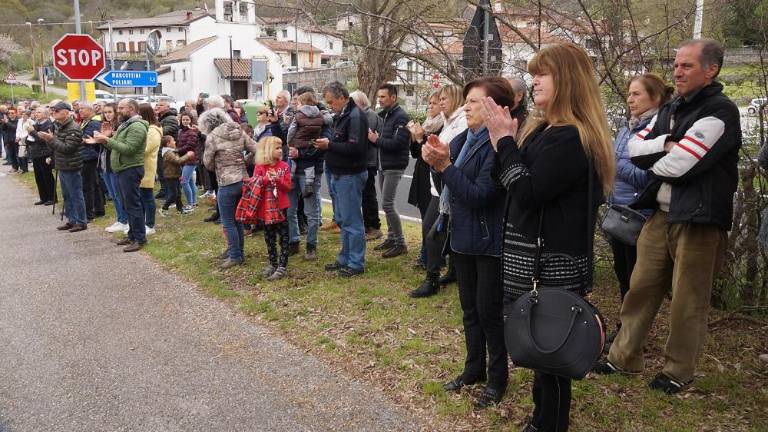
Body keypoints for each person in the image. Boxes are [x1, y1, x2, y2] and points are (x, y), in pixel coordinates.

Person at [596, 39, 741, 395]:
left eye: (687, 66)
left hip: (698, 220)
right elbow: (634, 146)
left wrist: (661, 153)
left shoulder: (721, 111)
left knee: (687, 301)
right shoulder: (673, 106)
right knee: (640, 288)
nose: (677, 71)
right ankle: (622, 357)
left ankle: (677, 371)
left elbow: (683, 164)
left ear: (712, 70)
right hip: (660, 215)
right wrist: (665, 145)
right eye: (676, 65)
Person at [486, 43, 614, 431]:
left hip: (551, 267)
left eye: (544, 73)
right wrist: (504, 141)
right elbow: (505, 180)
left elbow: (527, 192)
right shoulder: (544, 129)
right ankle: (541, 420)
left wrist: (505, 142)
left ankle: (548, 425)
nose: (534, 80)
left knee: (551, 355)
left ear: (569, 81)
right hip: (531, 264)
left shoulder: (572, 138)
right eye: (534, 72)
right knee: (541, 356)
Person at [421, 78, 511, 409]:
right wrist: (436, 161)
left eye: (474, 102)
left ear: (494, 108)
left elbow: (479, 196)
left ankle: (498, 378)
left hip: (488, 242)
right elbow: (446, 184)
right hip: (461, 237)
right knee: (469, 310)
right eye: (468, 101)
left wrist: (444, 166)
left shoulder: (498, 146)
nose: (466, 107)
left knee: (489, 313)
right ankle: (473, 369)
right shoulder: (463, 140)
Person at [604, 73, 673, 344]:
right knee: (623, 274)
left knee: (637, 280)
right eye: (629, 94)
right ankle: (624, 328)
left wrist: (615, 165)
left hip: (640, 215)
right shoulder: (626, 128)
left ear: (654, 97)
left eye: (637, 94)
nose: (630, 99)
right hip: (618, 212)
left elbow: (650, 175)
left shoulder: (660, 129)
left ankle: (631, 335)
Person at [315, 81, 369, 277]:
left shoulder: (355, 116)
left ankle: (356, 262)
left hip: (350, 174)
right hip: (340, 172)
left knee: (352, 221)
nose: (330, 106)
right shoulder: (344, 114)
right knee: (343, 219)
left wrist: (329, 145)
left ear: (342, 98)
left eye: (331, 102)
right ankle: (345, 257)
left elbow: (355, 147)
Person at [86, 98, 149, 252]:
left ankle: (140, 239)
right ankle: (132, 234)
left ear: (132, 109)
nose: (118, 111)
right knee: (127, 204)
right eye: (119, 108)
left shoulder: (137, 126)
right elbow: (117, 144)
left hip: (131, 169)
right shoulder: (126, 125)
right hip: (123, 169)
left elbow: (129, 149)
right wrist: (105, 138)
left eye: (121, 108)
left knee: (133, 205)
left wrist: (107, 139)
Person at [200, 106, 259, 269]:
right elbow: (256, 148)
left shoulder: (212, 137)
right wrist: (245, 161)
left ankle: (235, 256)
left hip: (227, 182)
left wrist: (218, 167)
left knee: (228, 222)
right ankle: (239, 252)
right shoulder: (239, 130)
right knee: (238, 219)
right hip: (243, 180)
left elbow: (207, 162)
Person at [286, 90, 330, 260]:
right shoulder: (296, 118)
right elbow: (288, 140)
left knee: (311, 211)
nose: (295, 104)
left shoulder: (323, 121)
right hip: (293, 169)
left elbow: (321, 148)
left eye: (297, 101)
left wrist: (300, 154)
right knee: (289, 209)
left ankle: (311, 245)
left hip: (310, 170)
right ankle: (293, 241)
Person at [369, 83, 411, 258]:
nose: (380, 100)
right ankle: (392, 238)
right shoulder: (386, 115)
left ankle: (400, 243)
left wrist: (376, 140)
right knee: (385, 204)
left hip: (394, 165)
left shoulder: (401, 116)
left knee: (387, 204)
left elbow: (399, 144)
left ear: (393, 97)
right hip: (383, 164)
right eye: (379, 97)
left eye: (383, 97)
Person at [435, 84, 469, 287]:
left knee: (437, 232)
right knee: (445, 230)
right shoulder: (446, 121)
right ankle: (450, 270)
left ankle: (435, 276)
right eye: (439, 99)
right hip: (440, 182)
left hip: (450, 181)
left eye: (444, 99)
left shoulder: (461, 121)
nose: (440, 103)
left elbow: (453, 150)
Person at [37, 102, 88, 233]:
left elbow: (67, 148)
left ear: (66, 112)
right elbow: (56, 147)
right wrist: (49, 140)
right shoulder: (59, 126)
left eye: (57, 110)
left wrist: (51, 139)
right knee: (67, 195)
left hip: (71, 165)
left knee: (76, 194)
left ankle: (81, 222)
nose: (54, 113)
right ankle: (71, 220)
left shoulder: (73, 128)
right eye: (53, 110)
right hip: (62, 165)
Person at [407, 90, 444, 270]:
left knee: (432, 221)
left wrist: (421, 139)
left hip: (433, 177)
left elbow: (431, 156)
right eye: (429, 103)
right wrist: (415, 138)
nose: (430, 107)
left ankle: (431, 257)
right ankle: (425, 254)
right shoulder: (428, 124)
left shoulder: (443, 126)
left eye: (434, 103)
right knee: (424, 217)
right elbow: (416, 154)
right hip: (421, 175)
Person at [254, 136, 292, 280]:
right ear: (268, 150)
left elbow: (288, 187)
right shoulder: (260, 167)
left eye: (281, 146)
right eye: (277, 147)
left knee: (283, 236)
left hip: (281, 206)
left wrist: (277, 179)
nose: (280, 150)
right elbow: (255, 185)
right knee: (269, 236)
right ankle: (272, 263)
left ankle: (282, 265)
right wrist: (266, 178)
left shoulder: (284, 166)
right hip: (266, 208)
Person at [350, 90, 384, 241]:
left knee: (368, 195)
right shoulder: (364, 114)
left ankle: (373, 227)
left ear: (360, 102)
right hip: (364, 160)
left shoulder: (368, 116)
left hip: (368, 161)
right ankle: (368, 225)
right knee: (365, 195)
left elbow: (361, 137)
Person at [99, 103, 130, 234]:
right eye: (105, 112)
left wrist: (105, 139)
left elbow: (116, 147)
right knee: (113, 194)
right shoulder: (106, 125)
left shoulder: (119, 127)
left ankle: (124, 220)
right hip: (105, 163)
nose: (107, 114)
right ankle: (120, 218)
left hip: (115, 164)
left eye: (110, 112)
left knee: (118, 194)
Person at [138, 103, 162, 235]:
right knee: (141, 196)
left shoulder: (153, 130)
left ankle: (150, 224)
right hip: (141, 165)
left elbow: (147, 149)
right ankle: (141, 223)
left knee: (147, 196)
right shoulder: (146, 127)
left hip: (147, 166)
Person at [78, 103, 105, 221]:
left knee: (88, 186)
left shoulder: (93, 122)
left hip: (89, 156)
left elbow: (87, 138)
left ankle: (90, 212)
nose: (80, 111)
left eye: (82, 109)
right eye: (79, 109)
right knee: (93, 184)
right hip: (87, 155)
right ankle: (98, 209)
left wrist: (75, 138)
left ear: (90, 110)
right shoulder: (86, 121)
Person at [26, 107, 55, 205]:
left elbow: (44, 139)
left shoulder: (49, 125)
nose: (36, 114)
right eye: (35, 112)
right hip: (35, 153)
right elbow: (31, 138)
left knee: (47, 176)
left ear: (45, 114)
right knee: (38, 177)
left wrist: (32, 132)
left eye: (39, 112)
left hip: (44, 153)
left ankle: (52, 197)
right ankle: (43, 197)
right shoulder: (35, 124)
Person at [159, 135, 194, 216]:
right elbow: (178, 161)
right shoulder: (168, 153)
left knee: (178, 194)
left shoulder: (171, 151)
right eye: (173, 140)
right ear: (168, 144)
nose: (175, 142)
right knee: (174, 194)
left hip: (175, 175)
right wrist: (187, 156)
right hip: (170, 176)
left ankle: (180, 209)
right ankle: (164, 208)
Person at [177, 112, 202, 211]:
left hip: (190, 159)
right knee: (190, 181)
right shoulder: (180, 131)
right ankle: (194, 202)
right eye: (183, 120)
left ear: (191, 120)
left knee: (184, 181)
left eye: (187, 119)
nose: (185, 121)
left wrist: (177, 150)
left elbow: (190, 145)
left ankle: (190, 204)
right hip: (183, 159)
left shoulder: (192, 132)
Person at [155, 99, 178, 200]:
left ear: (168, 107)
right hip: (161, 148)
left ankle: (170, 194)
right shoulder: (161, 118)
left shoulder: (171, 118)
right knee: (161, 171)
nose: (158, 107)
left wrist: (155, 129)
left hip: (167, 149)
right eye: (158, 105)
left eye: (161, 105)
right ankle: (164, 191)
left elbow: (166, 131)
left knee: (167, 173)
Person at [1, 107, 19, 173]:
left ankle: (20, 167)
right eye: (9, 113)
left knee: (17, 155)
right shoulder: (8, 120)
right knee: (11, 155)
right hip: (8, 140)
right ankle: (14, 167)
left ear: (16, 113)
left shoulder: (18, 120)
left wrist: (7, 122)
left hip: (16, 140)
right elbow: (3, 128)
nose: (10, 114)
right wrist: (4, 123)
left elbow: (15, 128)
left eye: (12, 113)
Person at [15, 109, 33, 173]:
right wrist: (17, 137)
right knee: (20, 154)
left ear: (28, 116)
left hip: (26, 139)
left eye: (25, 115)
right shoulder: (19, 121)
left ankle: (25, 169)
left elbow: (29, 132)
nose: (23, 116)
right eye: (22, 114)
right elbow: (18, 129)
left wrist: (21, 137)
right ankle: (22, 168)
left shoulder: (31, 122)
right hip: (20, 139)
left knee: (24, 155)